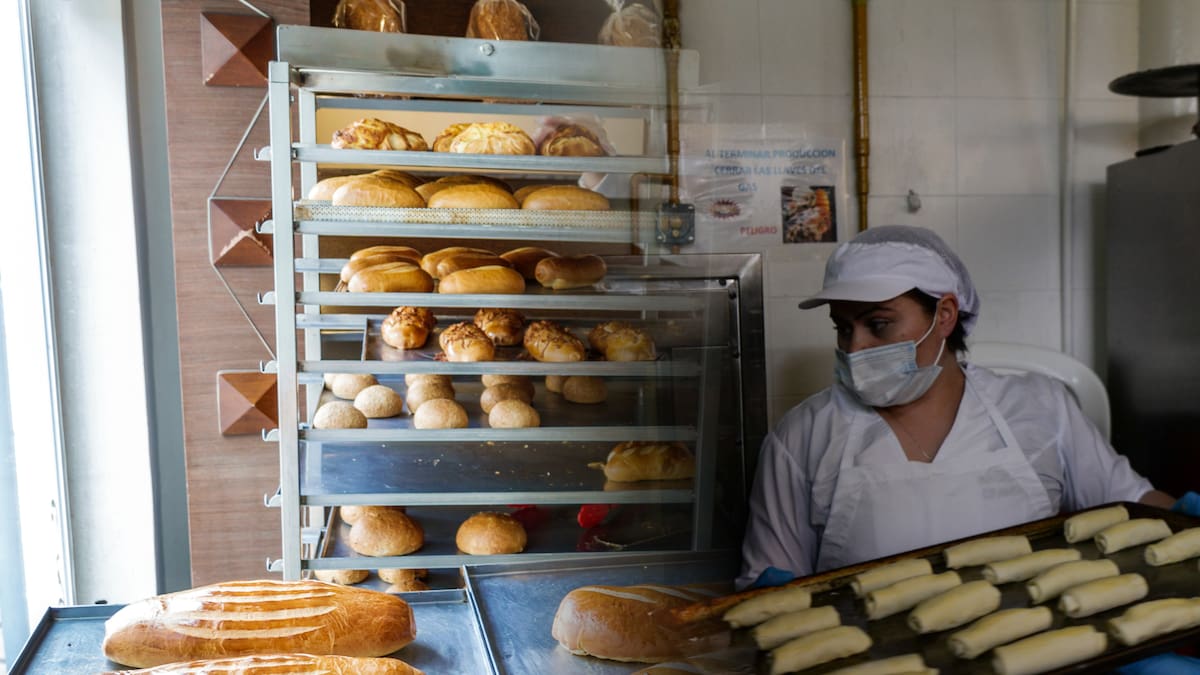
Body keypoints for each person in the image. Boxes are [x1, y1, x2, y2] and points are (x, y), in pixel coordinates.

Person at [738, 225, 1186, 590]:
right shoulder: (803, 436)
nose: (855, 348)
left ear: (945, 315)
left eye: (878, 324)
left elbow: (1132, 505)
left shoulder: (1041, 407)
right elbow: (769, 584)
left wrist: (1187, 521)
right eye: (842, 327)